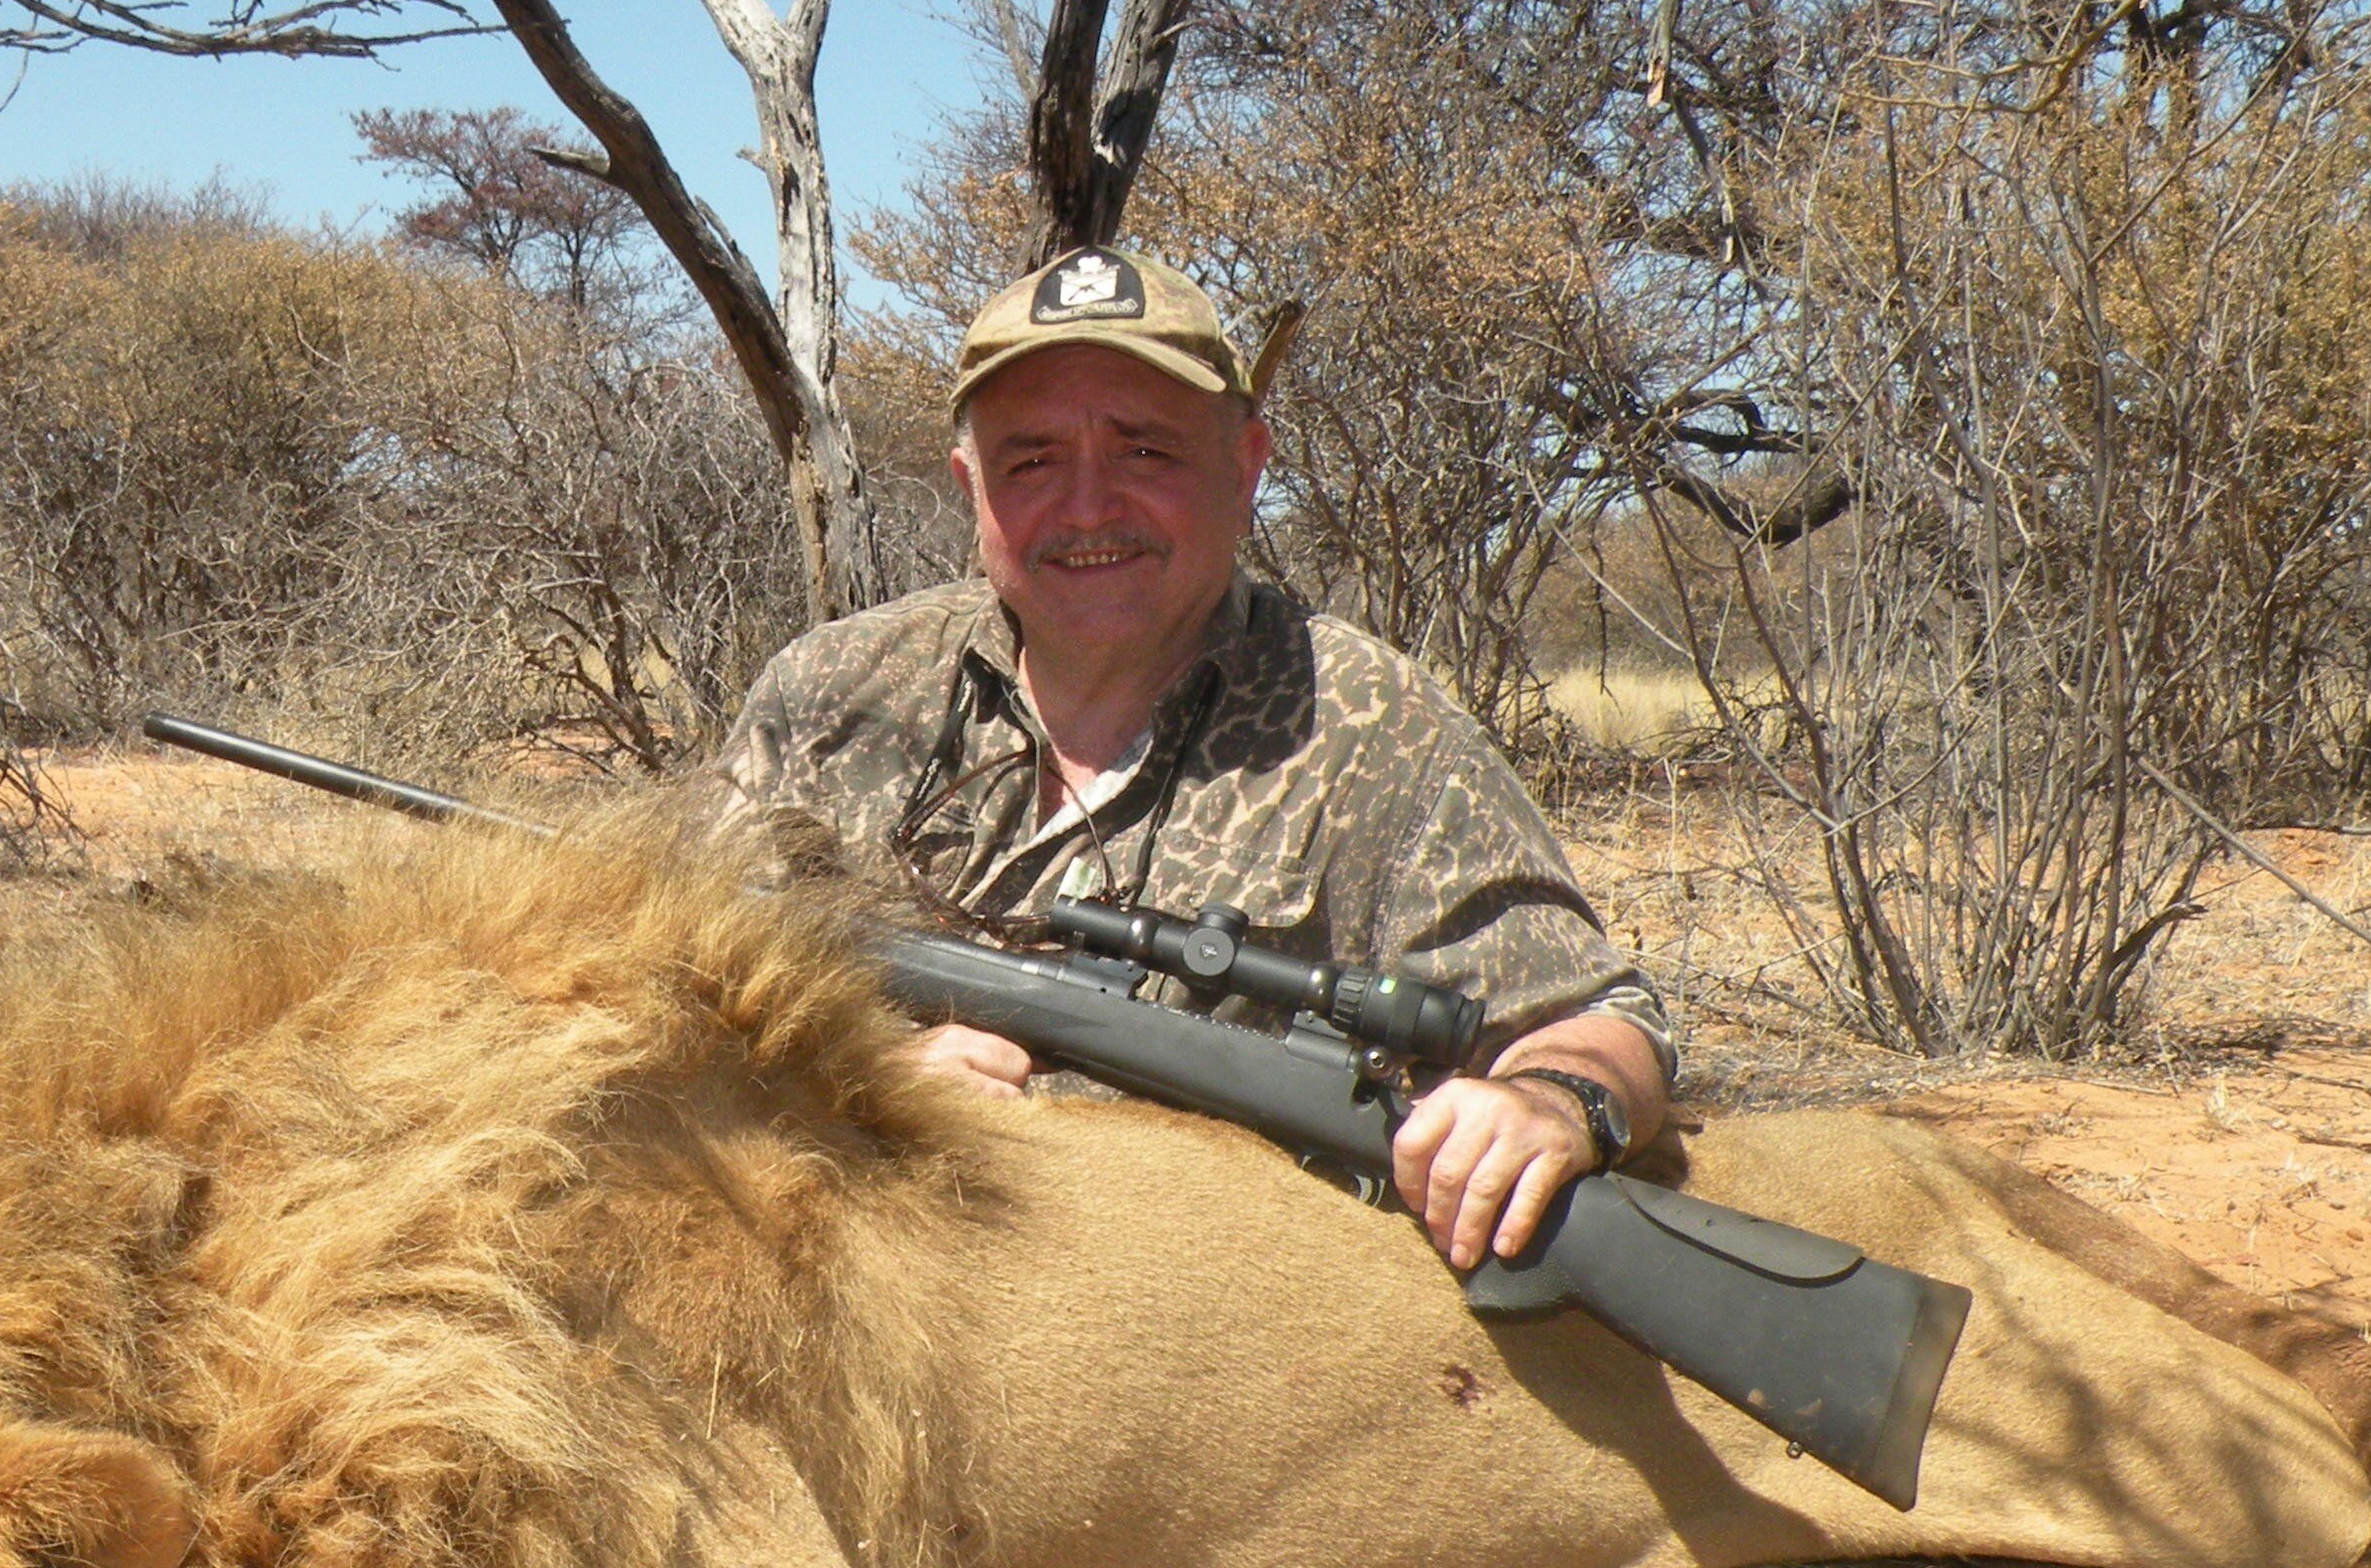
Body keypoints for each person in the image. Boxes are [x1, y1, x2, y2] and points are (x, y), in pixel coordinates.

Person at [711, 245, 1671, 1269]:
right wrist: (869, 1080)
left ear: (1248, 464)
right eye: (1031, 460)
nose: (1087, 508)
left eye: (1146, 453)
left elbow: (1599, 1018)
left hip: (1202, 1345)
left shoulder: (1371, 726)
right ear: (970, 485)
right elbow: (678, 982)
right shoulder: (830, 691)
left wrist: (1550, 1102)